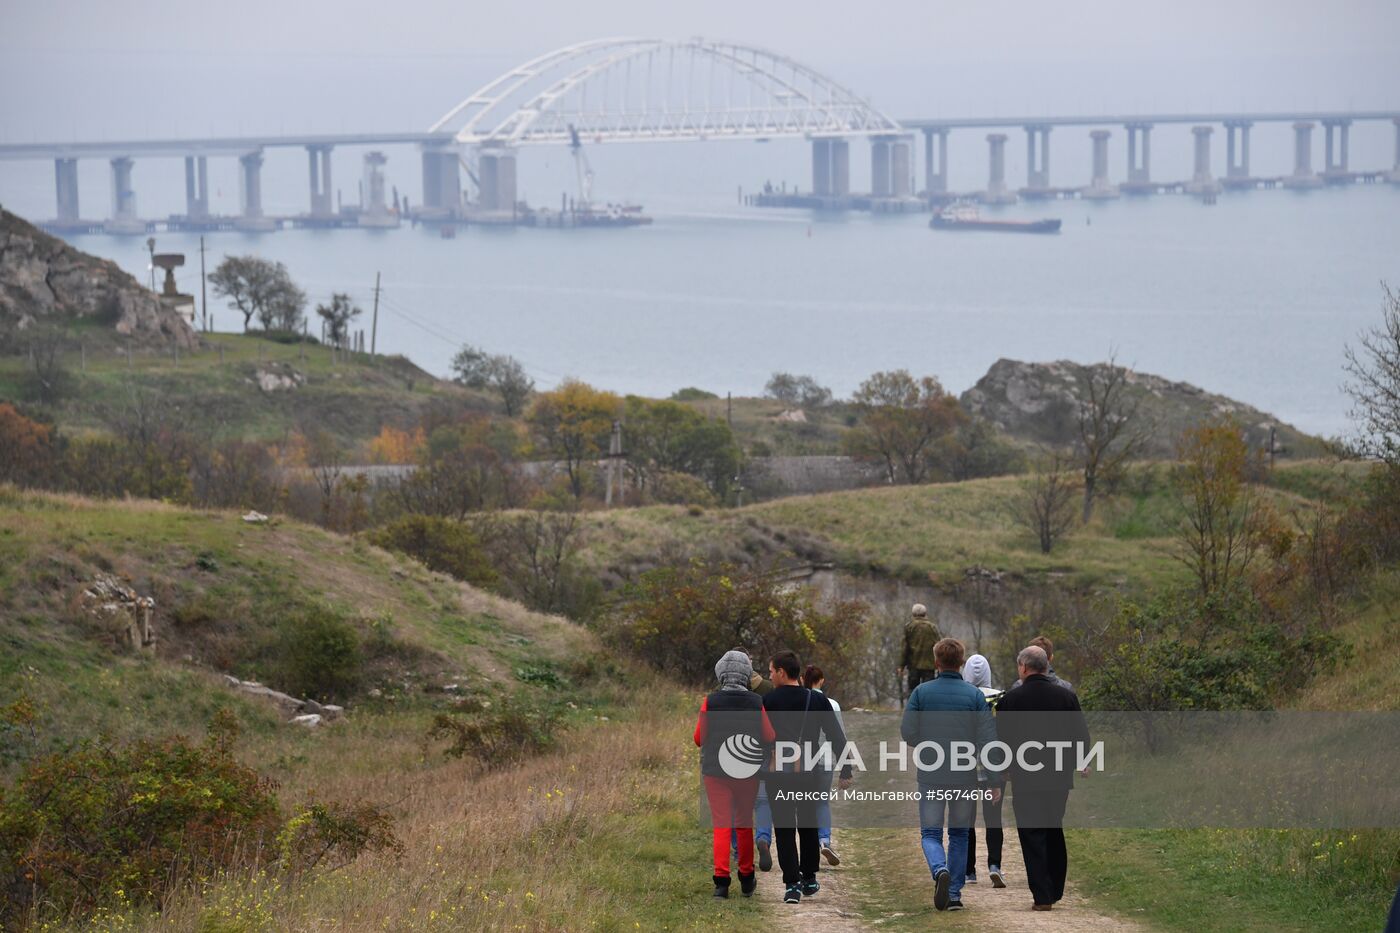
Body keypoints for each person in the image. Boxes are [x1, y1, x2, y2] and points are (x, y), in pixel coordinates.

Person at [900, 637, 999, 912]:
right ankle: (954, 893)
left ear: (936, 662)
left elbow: (908, 731)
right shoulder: (975, 696)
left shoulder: (921, 692)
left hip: (931, 773)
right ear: (962, 663)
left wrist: (926, 744)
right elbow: (988, 741)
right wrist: (994, 779)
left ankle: (939, 869)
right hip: (964, 776)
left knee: (931, 833)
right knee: (959, 835)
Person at [996, 645, 1091, 912]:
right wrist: (1082, 761)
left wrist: (1003, 770)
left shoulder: (1011, 700)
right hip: (1059, 777)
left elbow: (1002, 741)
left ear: (1024, 667)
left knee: (1031, 832)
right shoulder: (1065, 696)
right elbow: (1081, 735)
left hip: (1025, 778)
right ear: (1047, 666)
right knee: (1053, 827)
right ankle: (1055, 887)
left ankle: (1042, 894)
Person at [763, 649, 853, 904]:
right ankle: (810, 877)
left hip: (778, 772)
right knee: (808, 823)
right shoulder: (816, 700)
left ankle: (792, 884)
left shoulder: (768, 701)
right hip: (807, 771)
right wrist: (846, 768)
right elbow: (836, 737)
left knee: (783, 827)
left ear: (781, 672)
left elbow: (758, 738)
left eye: (771, 671)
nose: (770, 676)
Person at [694, 649, 775, 899]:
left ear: (721, 673)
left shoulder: (711, 701)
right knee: (742, 824)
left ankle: (721, 883)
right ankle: (747, 879)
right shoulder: (756, 702)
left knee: (721, 825)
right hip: (746, 772)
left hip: (715, 772)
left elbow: (699, 739)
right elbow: (770, 736)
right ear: (745, 675)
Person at [960, 653, 1006, 889]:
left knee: (966, 819)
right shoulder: (1000, 698)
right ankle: (995, 865)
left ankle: (969, 871)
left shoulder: (962, 697)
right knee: (993, 818)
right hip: (994, 766)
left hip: (966, 768)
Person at [802, 664, 844, 867]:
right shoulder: (833, 704)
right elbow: (838, 735)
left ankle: (805, 848)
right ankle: (824, 840)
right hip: (826, 758)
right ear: (822, 680)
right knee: (821, 801)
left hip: (804, 759)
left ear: (803, 679)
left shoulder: (799, 701)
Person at [899, 603, 942, 698]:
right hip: (929, 666)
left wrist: (901, 666)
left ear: (913, 614)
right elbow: (939, 646)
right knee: (928, 693)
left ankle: (912, 711)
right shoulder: (932, 627)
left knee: (913, 692)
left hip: (913, 665)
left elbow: (905, 648)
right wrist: (940, 664)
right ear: (925, 614)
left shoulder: (909, 627)